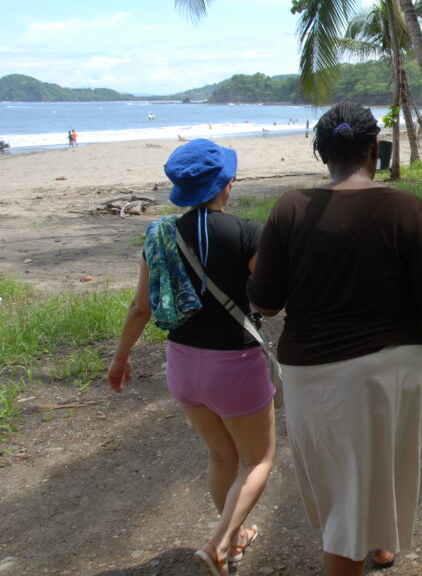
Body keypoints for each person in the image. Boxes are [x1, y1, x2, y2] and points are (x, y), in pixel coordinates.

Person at [247, 102, 422, 576]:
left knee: (346, 480)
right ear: (374, 150)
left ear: (323, 153)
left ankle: (379, 544)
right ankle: (371, 548)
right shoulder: (404, 207)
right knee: (378, 465)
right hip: (390, 366)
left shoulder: (289, 208)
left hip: (312, 372)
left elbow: (265, 302)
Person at [107, 139, 275, 576]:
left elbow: (140, 307)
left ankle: (236, 537)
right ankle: (220, 544)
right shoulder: (247, 233)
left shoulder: (159, 234)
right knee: (258, 460)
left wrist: (120, 359)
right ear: (228, 183)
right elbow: (272, 297)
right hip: (234, 367)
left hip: (182, 367)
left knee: (222, 457)